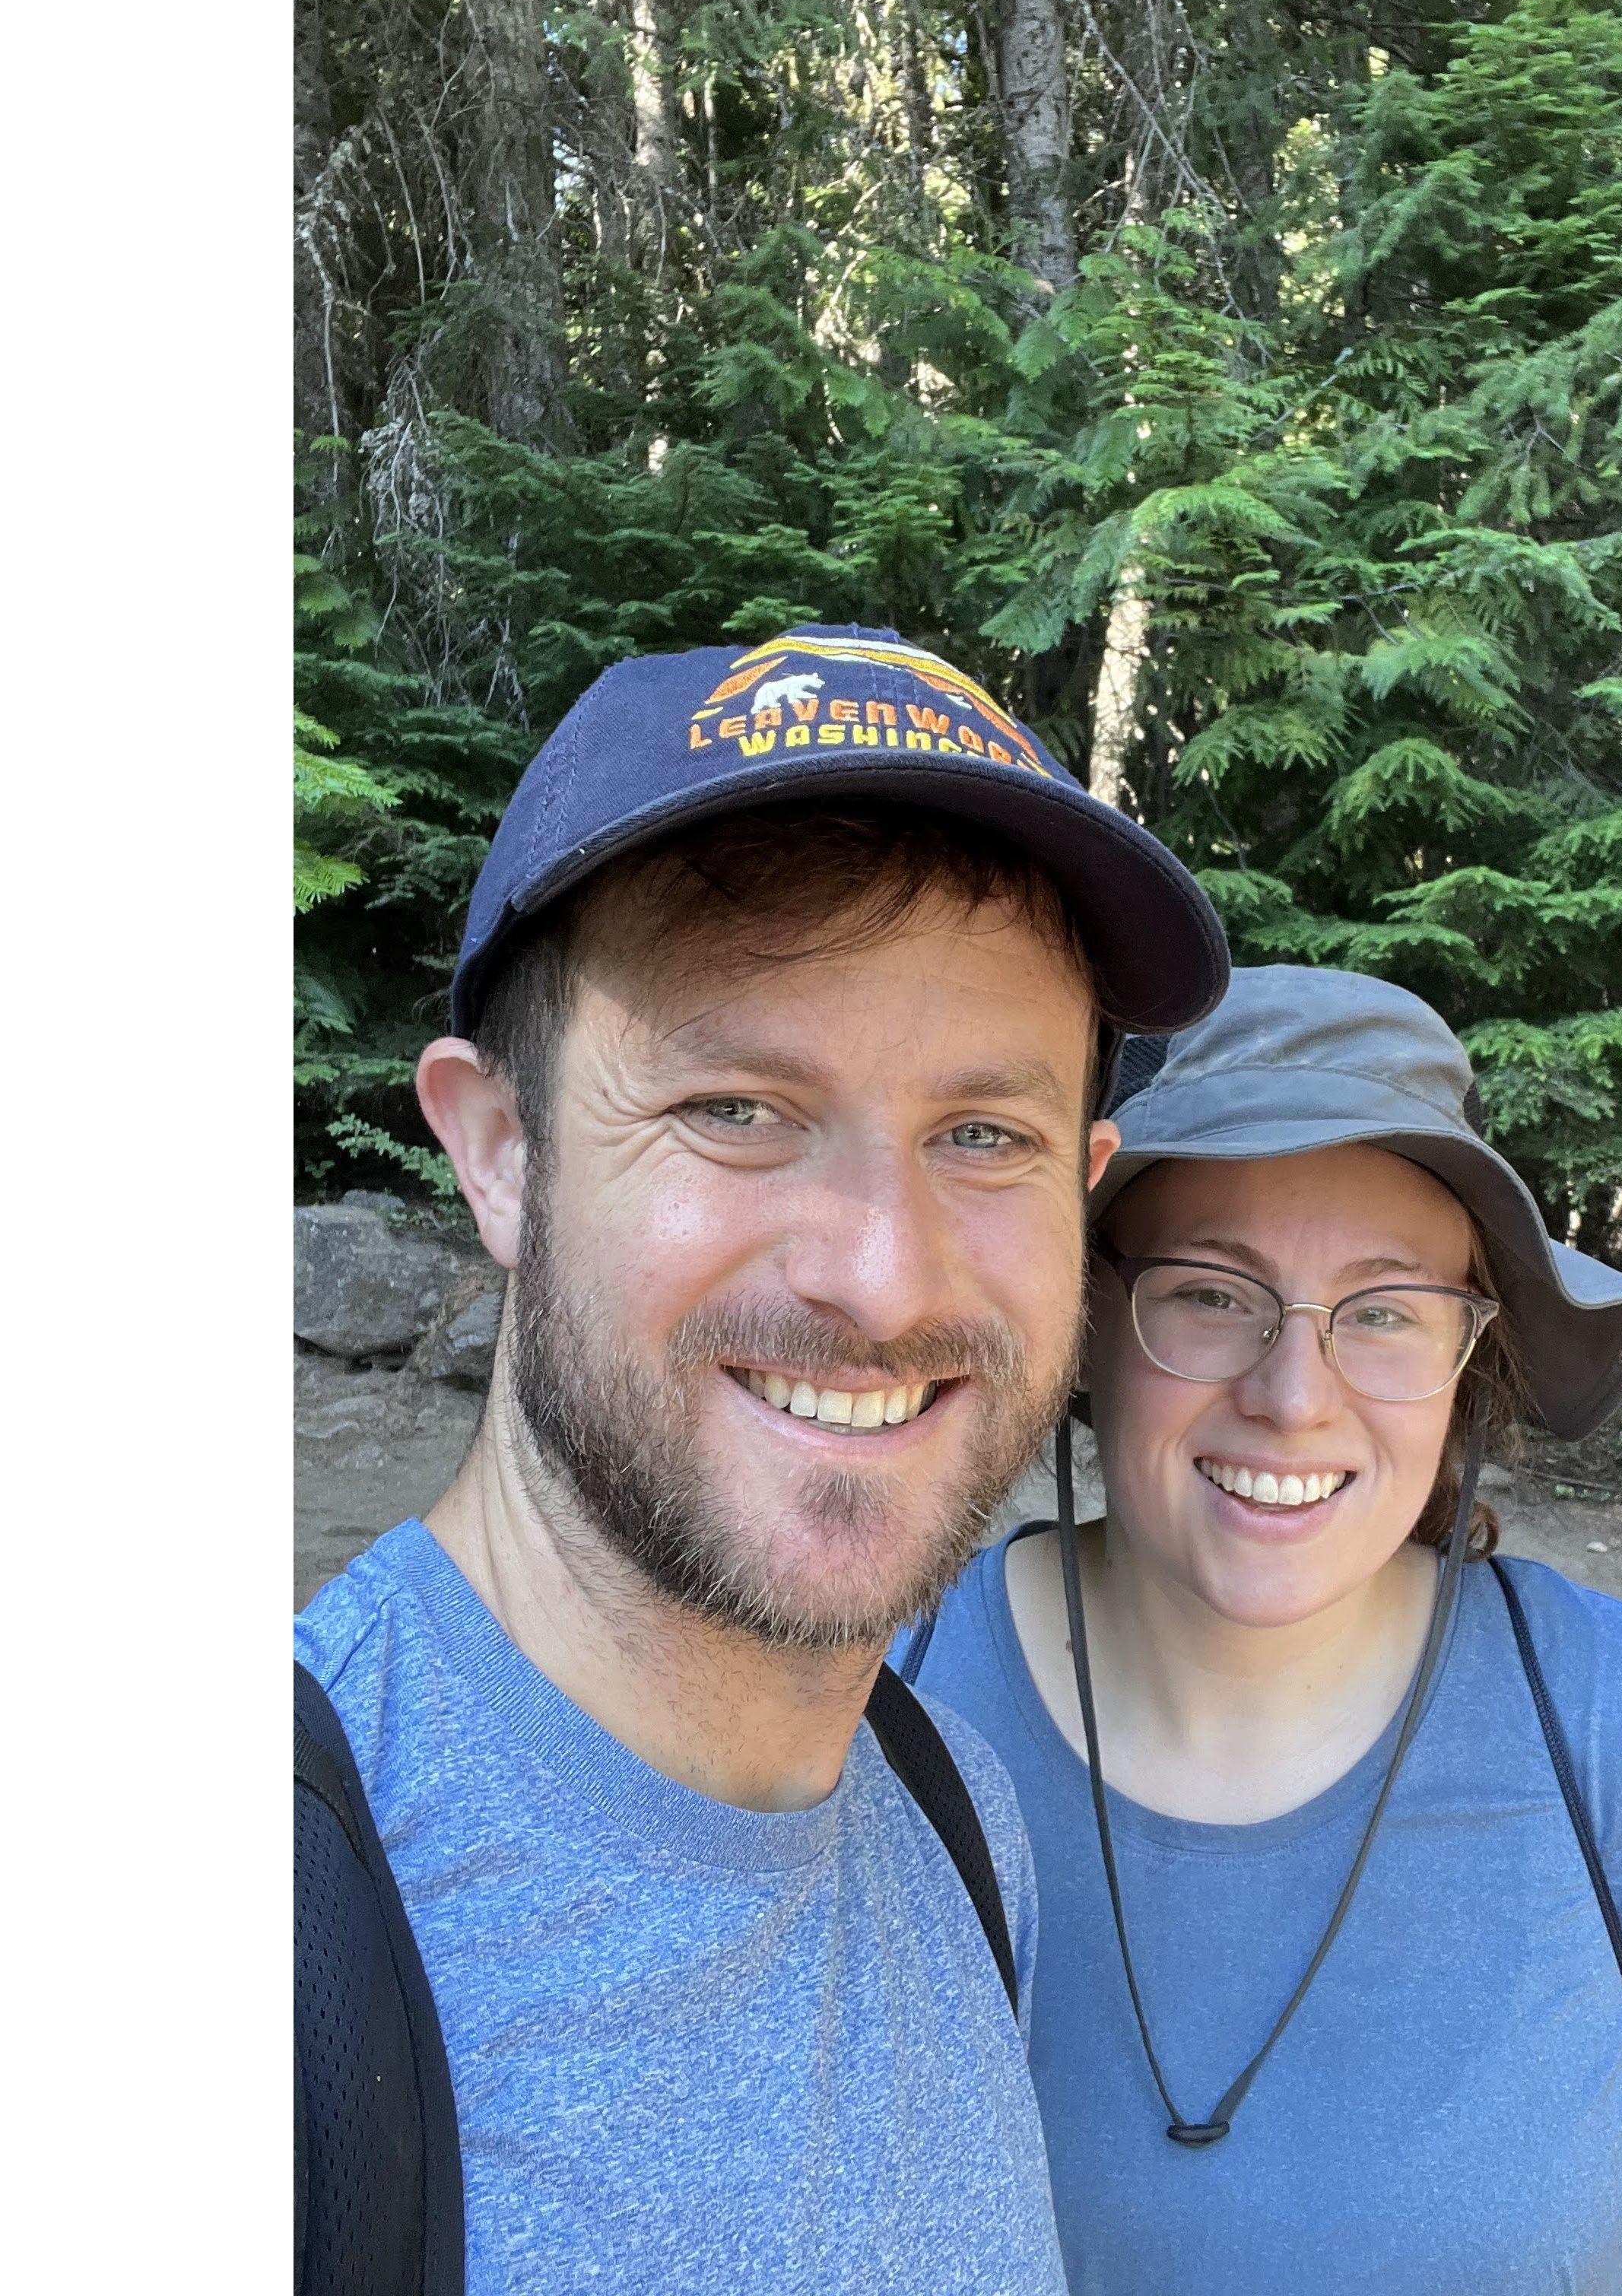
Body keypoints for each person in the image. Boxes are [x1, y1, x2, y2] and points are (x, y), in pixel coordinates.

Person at [294, 625, 1229, 2294]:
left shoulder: (958, 1821)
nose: (884, 1273)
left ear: (1082, 1183)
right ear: (501, 1150)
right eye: (736, 1105)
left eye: (983, 1135)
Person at [900, 964, 1622, 2294]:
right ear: (1088, 1320)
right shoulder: (863, 1711)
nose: (1294, 1396)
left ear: (1469, 1362)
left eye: (1386, 1312)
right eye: (1211, 1293)